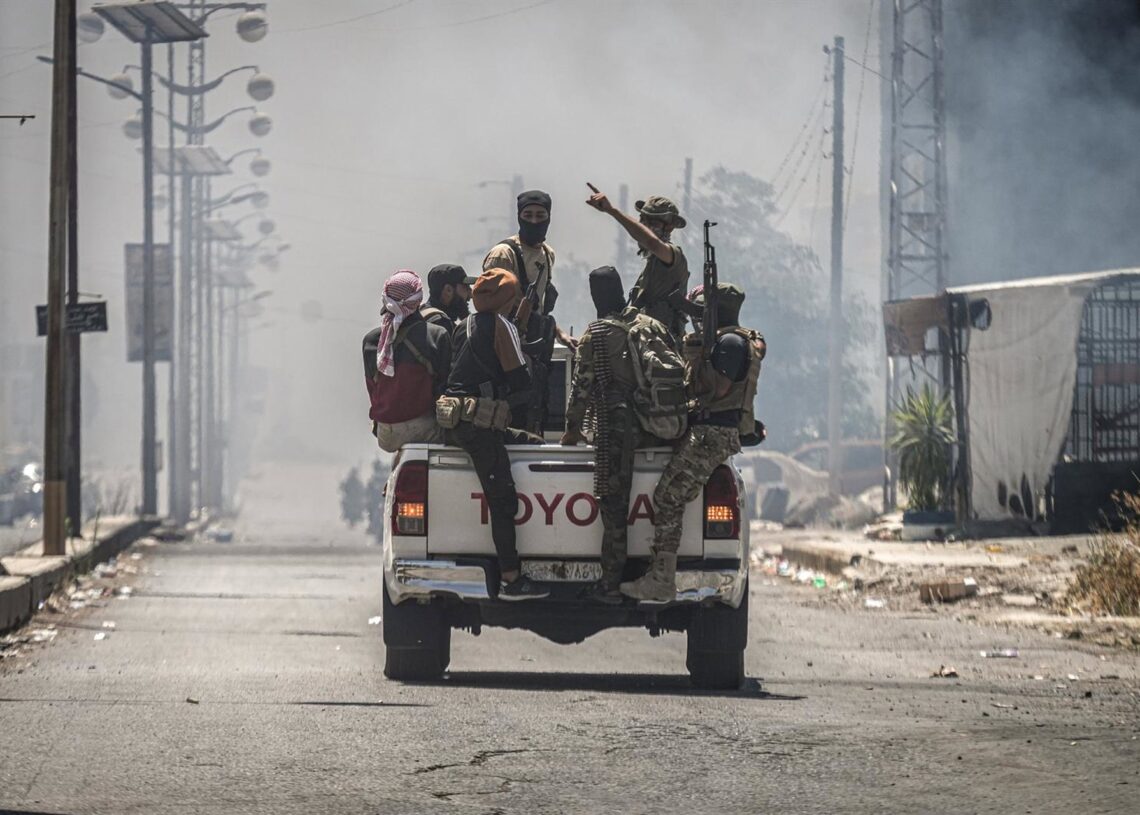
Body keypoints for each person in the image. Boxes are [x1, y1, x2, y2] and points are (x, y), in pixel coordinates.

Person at [621, 283, 767, 602]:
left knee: (668, 497)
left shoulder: (729, 343)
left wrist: (702, 356)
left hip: (711, 434)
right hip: (708, 432)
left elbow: (717, 390)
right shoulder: (726, 341)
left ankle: (661, 579)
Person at [561, 267, 674, 603]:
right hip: (656, 426)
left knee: (613, 506)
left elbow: (581, 390)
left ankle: (610, 583)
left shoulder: (596, 334)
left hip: (616, 427)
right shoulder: (648, 325)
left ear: (596, 297)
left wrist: (571, 430)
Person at [441, 269, 549, 601]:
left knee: (533, 446)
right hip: (479, 426)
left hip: (460, 422)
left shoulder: (465, 324)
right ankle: (511, 578)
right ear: (507, 299)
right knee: (503, 500)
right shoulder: (501, 326)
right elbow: (521, 382)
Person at [362, 270, 452, 453]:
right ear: (418, 300)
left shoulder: (371, 340)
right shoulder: (436, 335)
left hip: (385, 433)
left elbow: (372, 389)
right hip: (423, 429)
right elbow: (444, 387)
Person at [586, 189, 691, 342]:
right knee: (603, 278)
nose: (644, 226)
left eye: (652, 223)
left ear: (669, 227)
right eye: (642, 220)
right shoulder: (651, 265)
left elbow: (652, 243)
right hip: (643, 344)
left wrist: (612, 211)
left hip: (664, 351)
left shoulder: (674, 257)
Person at [421, 263, 475, 330]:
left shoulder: (420, 316)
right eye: (466, 287)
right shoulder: (441, 324)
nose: (471, 294)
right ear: (448, 290)